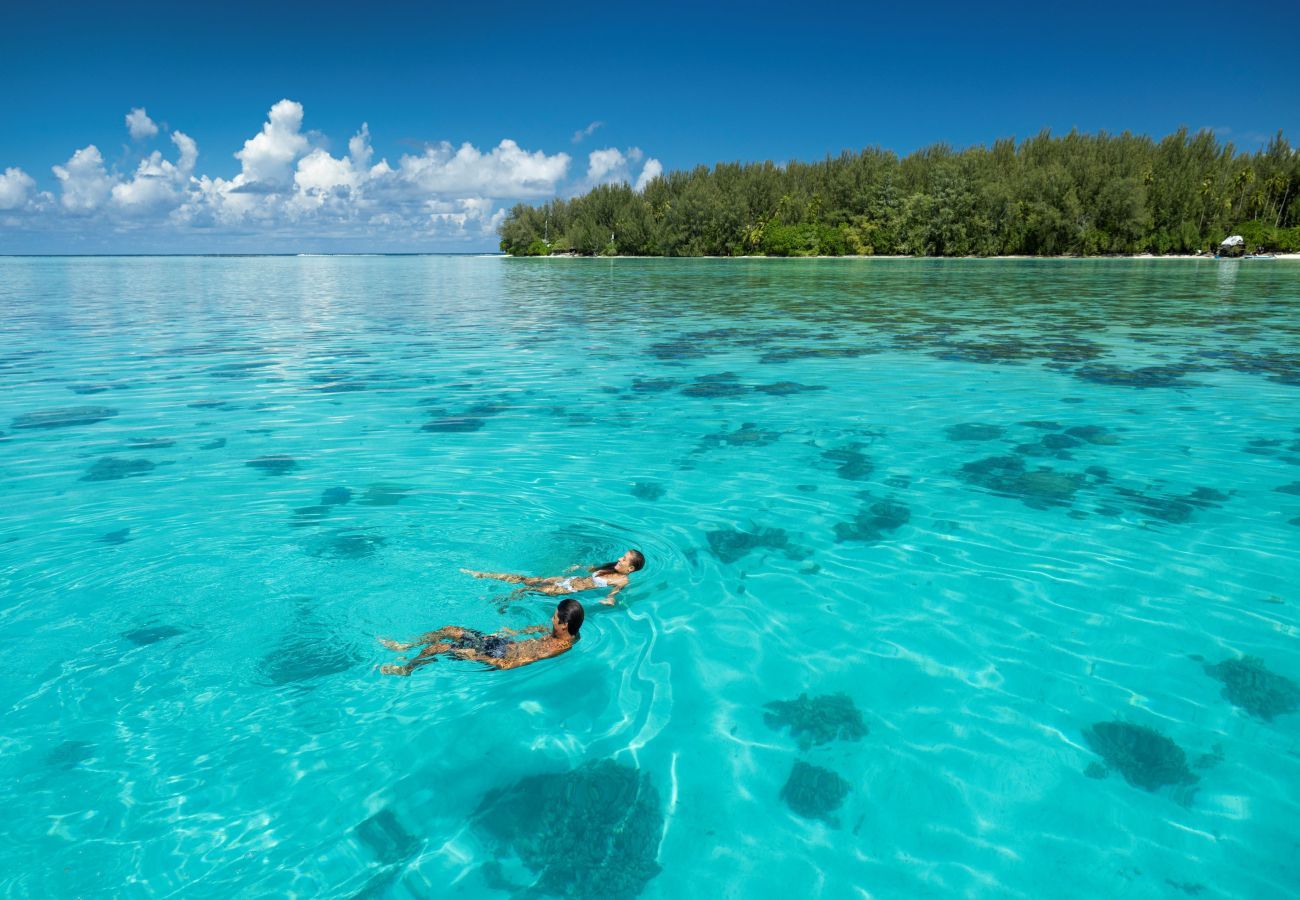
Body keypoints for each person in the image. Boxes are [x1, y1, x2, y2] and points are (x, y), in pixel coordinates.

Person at [378, 598, 585, 675]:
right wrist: (511, 634)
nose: (551, 618)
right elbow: (534, 634)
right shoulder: (569, 634)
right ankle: (405, 646)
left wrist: (475, 657)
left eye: (555, 617)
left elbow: (509, 665)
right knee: (450, 629)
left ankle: (407, 669)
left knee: (438, 648)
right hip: (502, 643)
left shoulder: (556, 648)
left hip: (497, 654)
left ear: (564, 625)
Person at [461, 548, 645, 606]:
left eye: (624, 560)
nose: (620, 559)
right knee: (522, 579)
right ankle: (483, 575)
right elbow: (592, 570)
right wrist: (580, 566)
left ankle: (500, 602)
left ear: (630, 569)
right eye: (622, 556)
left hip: (567, 589)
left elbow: (615, 591)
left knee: (526, 589)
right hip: (565, 580)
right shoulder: (610, 568)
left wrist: (610, 599)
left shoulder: (623, 579)